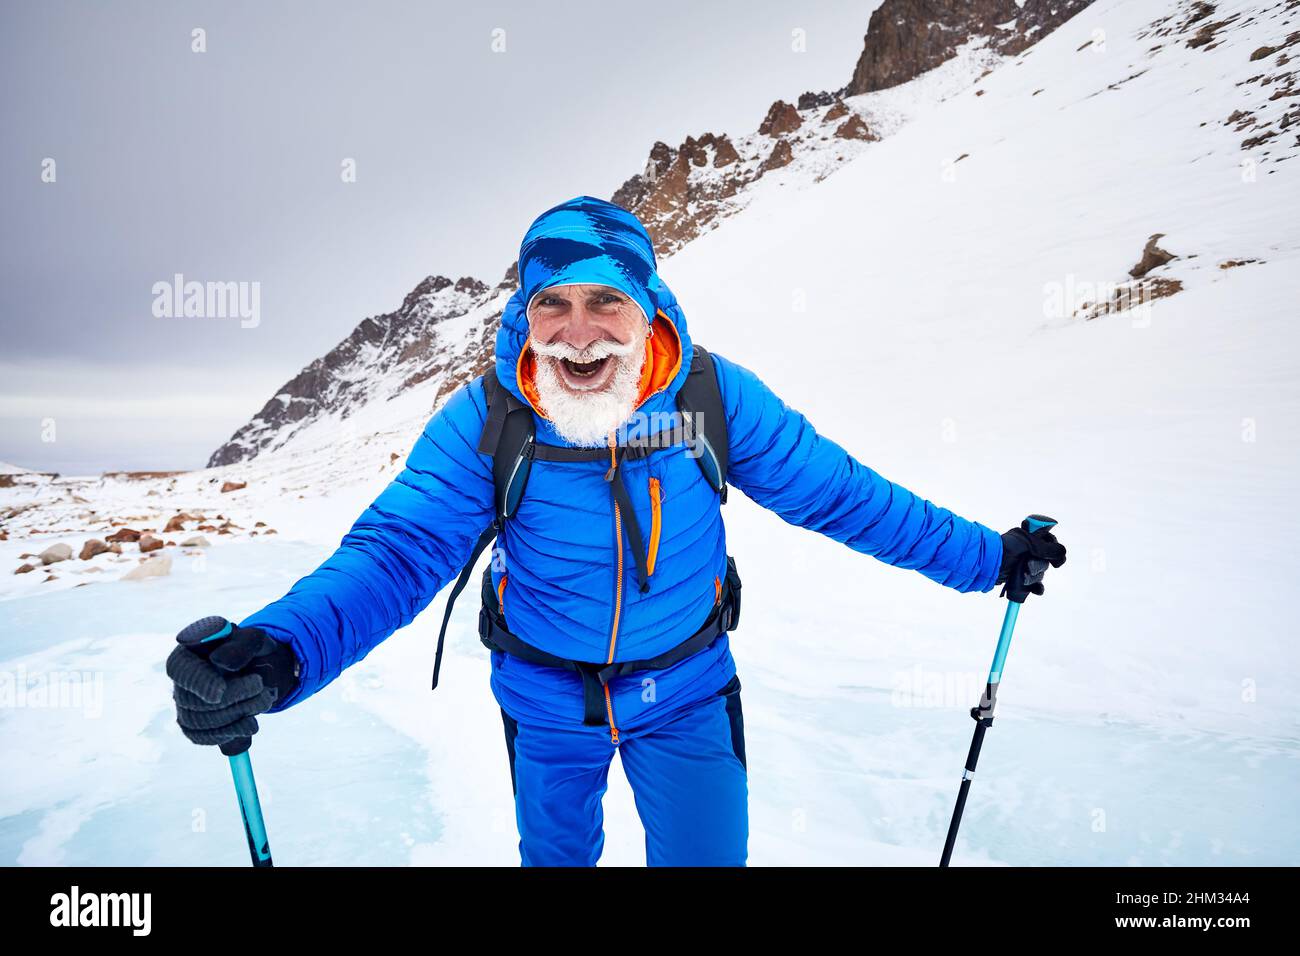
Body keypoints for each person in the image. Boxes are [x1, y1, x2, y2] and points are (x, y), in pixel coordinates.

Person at [167, 195, 1066, 866]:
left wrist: (987, 558)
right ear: (524, 314)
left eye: (606, 303)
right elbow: (399, 553)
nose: (580, 333)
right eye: (553, 303)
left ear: (648, 311)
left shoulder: (711, 399)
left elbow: (843, 496)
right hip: (545, 706)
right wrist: (281, 651)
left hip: (688, 694)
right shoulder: (489, 418)